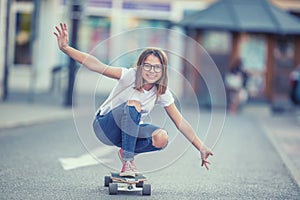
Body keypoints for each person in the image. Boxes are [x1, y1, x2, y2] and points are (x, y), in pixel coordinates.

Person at [54, 23, 213, 177]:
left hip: (128, 131)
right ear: (140, 66)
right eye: (147, 66)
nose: (152, 71)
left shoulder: (161, 92)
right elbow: (96, 65)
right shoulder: (129, 75)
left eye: (157, 67)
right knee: (134, 104)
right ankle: (128, 161)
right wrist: (66, 48)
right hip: (104, 126)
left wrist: (201, 147)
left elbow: (181, 123)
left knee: (161, 137)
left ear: (163, 70)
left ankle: (126, 151)